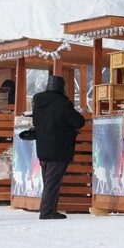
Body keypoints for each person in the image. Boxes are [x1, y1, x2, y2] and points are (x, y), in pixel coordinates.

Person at [31, 75, 86, 220]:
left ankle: (50, 209)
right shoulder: (63, 104)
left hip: (42, 146)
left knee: (48, 180)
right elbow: (79, 122)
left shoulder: (38, 103)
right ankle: (46, 211)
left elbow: (35, 121)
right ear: (61, 88)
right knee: (53, 181)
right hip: (59, 147)